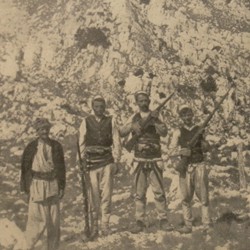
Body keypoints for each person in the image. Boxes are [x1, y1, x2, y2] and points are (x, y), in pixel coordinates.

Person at [119, 91, 173, 233]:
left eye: (145, 100)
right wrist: (132, 126)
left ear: (149, 101)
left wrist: (155, 121)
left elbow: (164, 132)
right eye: (141, 101)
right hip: (139, 158)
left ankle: (163, 219)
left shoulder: (156, 115)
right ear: (137, 103)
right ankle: (139, 221)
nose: (144, 103)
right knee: (139, 193)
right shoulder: (134, 117)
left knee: (159, 192)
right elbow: (121, 132)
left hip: (155, 157)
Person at [78, 95, 121, 238]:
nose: (99, 109)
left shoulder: (111, 121)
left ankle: (105, 225)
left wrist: (116, 161)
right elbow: (81, 143)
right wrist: (82, 161)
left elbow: (116, 141)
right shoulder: (86, 121)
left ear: (105, 108)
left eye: (102, 107)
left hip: (107, 161)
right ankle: (94, 226)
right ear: (92, 107)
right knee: (93, 195)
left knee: (106, 195)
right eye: (96, 106)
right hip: (91, 163)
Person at [20, 118, 66, 250]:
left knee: (54, 222)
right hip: (37, 186)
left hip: (53, 185)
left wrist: (61, 186)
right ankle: (26, 247)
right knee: (35, 222)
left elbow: (61, 168)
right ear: (37, 131)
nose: (44, 131)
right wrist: (25, 189)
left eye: (46, 129)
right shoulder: (31, 147)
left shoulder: (56, 146)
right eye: (41, 129)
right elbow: (25, 168)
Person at [169, 105, 212, 234]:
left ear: (192, 115)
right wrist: (182, 151)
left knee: (203, 197)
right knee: (186, 197)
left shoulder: (200, 129)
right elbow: (171, 150)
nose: (187, 117)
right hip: (185, 166)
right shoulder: (178, 132)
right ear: (181, 118)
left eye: (189, 115)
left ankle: (207, 224)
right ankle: (188, 225)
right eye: (184, 115)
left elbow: (207, 147)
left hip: (199, 165)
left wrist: (204, 141)